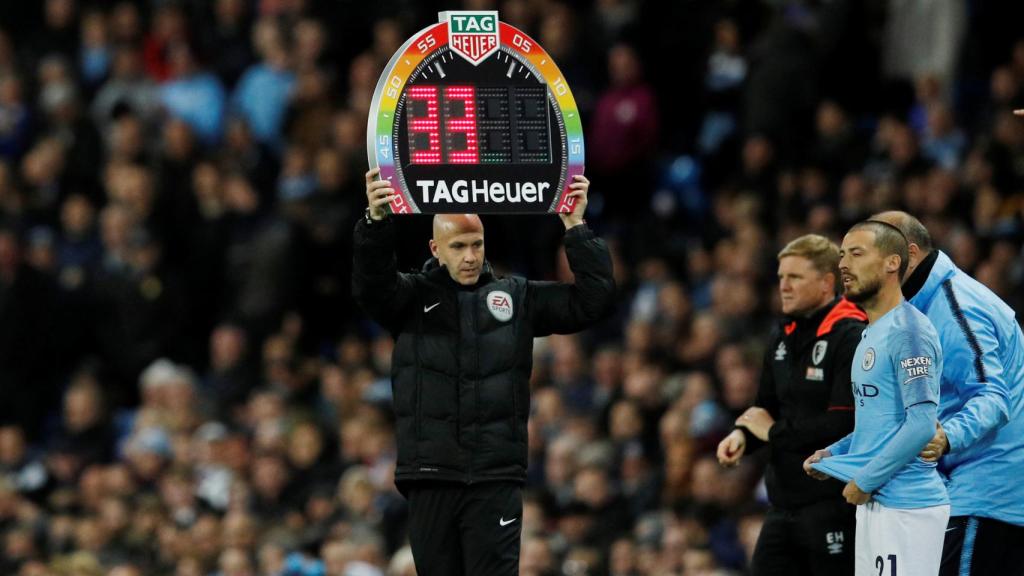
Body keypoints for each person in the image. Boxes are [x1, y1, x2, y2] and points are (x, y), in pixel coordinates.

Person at [352, 168, 615, 575]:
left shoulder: (518, 298)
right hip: (431, 476)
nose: (471, 256)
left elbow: (592, 301)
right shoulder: (409, 299)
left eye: (477, 244)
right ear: (435, 249)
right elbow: (371, 285)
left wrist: (575, 226)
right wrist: (376, 222)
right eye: (458, 246)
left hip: (496, 477)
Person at [871, 211, 1024, 576]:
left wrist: (946, 437)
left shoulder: (955, 305)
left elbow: (991, 397)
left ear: (907, 253)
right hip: (972, 491)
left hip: (986, 491)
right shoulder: (916, 310)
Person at [804, 221, 948, 576]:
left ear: (892, 263)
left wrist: (864, 481)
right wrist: (834, 453)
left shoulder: (908, 331)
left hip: (907, 506)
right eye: (841, 255)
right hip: (877, 501)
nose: (843, 265)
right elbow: (880, 422)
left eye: (856, 253)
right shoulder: (872, 333)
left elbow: (920, 424)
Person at [717, 234, 866, 575]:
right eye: (781, 277)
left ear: (827, 282)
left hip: (833, 503)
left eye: (795, 277)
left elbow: (843, 426)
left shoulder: (852, 336)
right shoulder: (782, 335)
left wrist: (770, 432)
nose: (783, 286)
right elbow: (764, 408)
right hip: (782, 504)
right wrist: (743, 436)